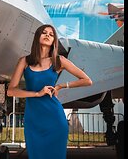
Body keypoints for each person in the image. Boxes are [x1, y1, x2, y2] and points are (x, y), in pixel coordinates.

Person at [7, 24, 93, 159]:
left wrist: (62, 86)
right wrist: (36, 94)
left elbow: (87, 80)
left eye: (51, 34)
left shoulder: (59, 61)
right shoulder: (25, 61)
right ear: (37, 36)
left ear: (54, 41)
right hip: (33, 120)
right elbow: (11, 91)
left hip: (55, 118)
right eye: (44, 32)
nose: (47, 35)